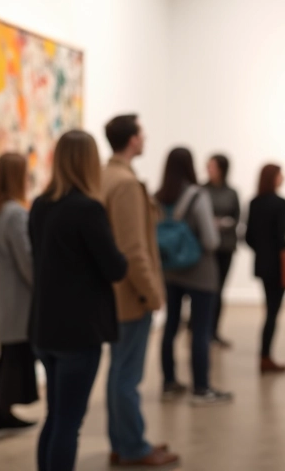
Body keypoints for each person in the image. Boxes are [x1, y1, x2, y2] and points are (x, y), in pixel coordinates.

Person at [28, 130, 128, 471]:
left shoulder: (41, 206)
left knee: (56, 416)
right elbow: (115, 268)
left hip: (45, 328)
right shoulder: (88, 209)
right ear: (88, 162)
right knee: (69, 422)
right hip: (78, 331)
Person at [100, 115, 176, 466]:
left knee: (119, 371)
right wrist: (153, 293)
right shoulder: (126, 184)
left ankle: (123, 441)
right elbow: (133, 249)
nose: (145, 138)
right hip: (130, 295)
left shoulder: (105, 176)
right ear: (132, 140)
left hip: (112, 293)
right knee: (127, 375)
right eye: (142, 133)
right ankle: (133, 446)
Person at [156, 148, 233, 405]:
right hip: (200, 272)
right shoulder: (197, 195)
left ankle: (169, 381)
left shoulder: (158, 197)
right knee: (200, 330)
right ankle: (201, 388)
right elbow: (210, 241)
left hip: (170, 271)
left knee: (170, 326)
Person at [0, 152, 38, 438]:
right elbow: (26, 260)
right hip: (16, 299)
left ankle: (0, 414)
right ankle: (0, 417)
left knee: (6, 356)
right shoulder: (14, 213)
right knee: (13, 358)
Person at [245, 164, 285, 374]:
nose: (283, 178)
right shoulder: (280, 203)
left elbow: (247, 237)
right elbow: (281, 236)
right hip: (278, 265)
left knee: (269, 310)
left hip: (262, 264)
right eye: (281, 174)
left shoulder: (254, 202)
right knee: (273, 312)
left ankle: (265, 355)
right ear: (274, 177)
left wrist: (261, 250)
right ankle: (266, 356)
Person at [203, 154, 241, 347]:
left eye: (212, 167)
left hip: (225, 246)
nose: (208, 170)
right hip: (206, 248)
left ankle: (214, 331)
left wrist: (223, 223)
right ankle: (200, 329)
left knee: (219, 291)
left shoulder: (231, 192)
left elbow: (236, 217)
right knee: (205, 290)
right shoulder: (201, 191)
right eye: (207, 166)